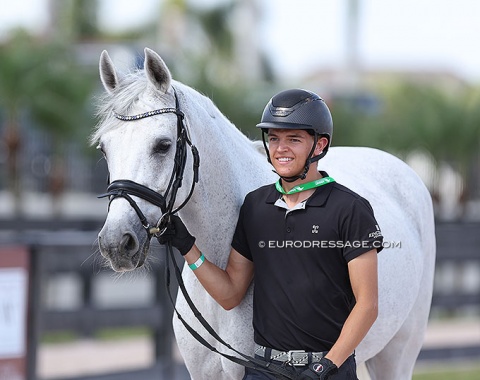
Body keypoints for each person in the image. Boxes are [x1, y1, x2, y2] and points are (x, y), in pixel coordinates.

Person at [160, 89, 383, 380]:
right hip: (265, 370)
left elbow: (368, 304)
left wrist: (327, 365)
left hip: (328, 371)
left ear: (319, 145)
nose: (280, 149)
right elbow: (230, 294)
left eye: (294, 139)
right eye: (274, 138)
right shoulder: (255, 206)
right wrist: (187, 246)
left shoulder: (351, 209)